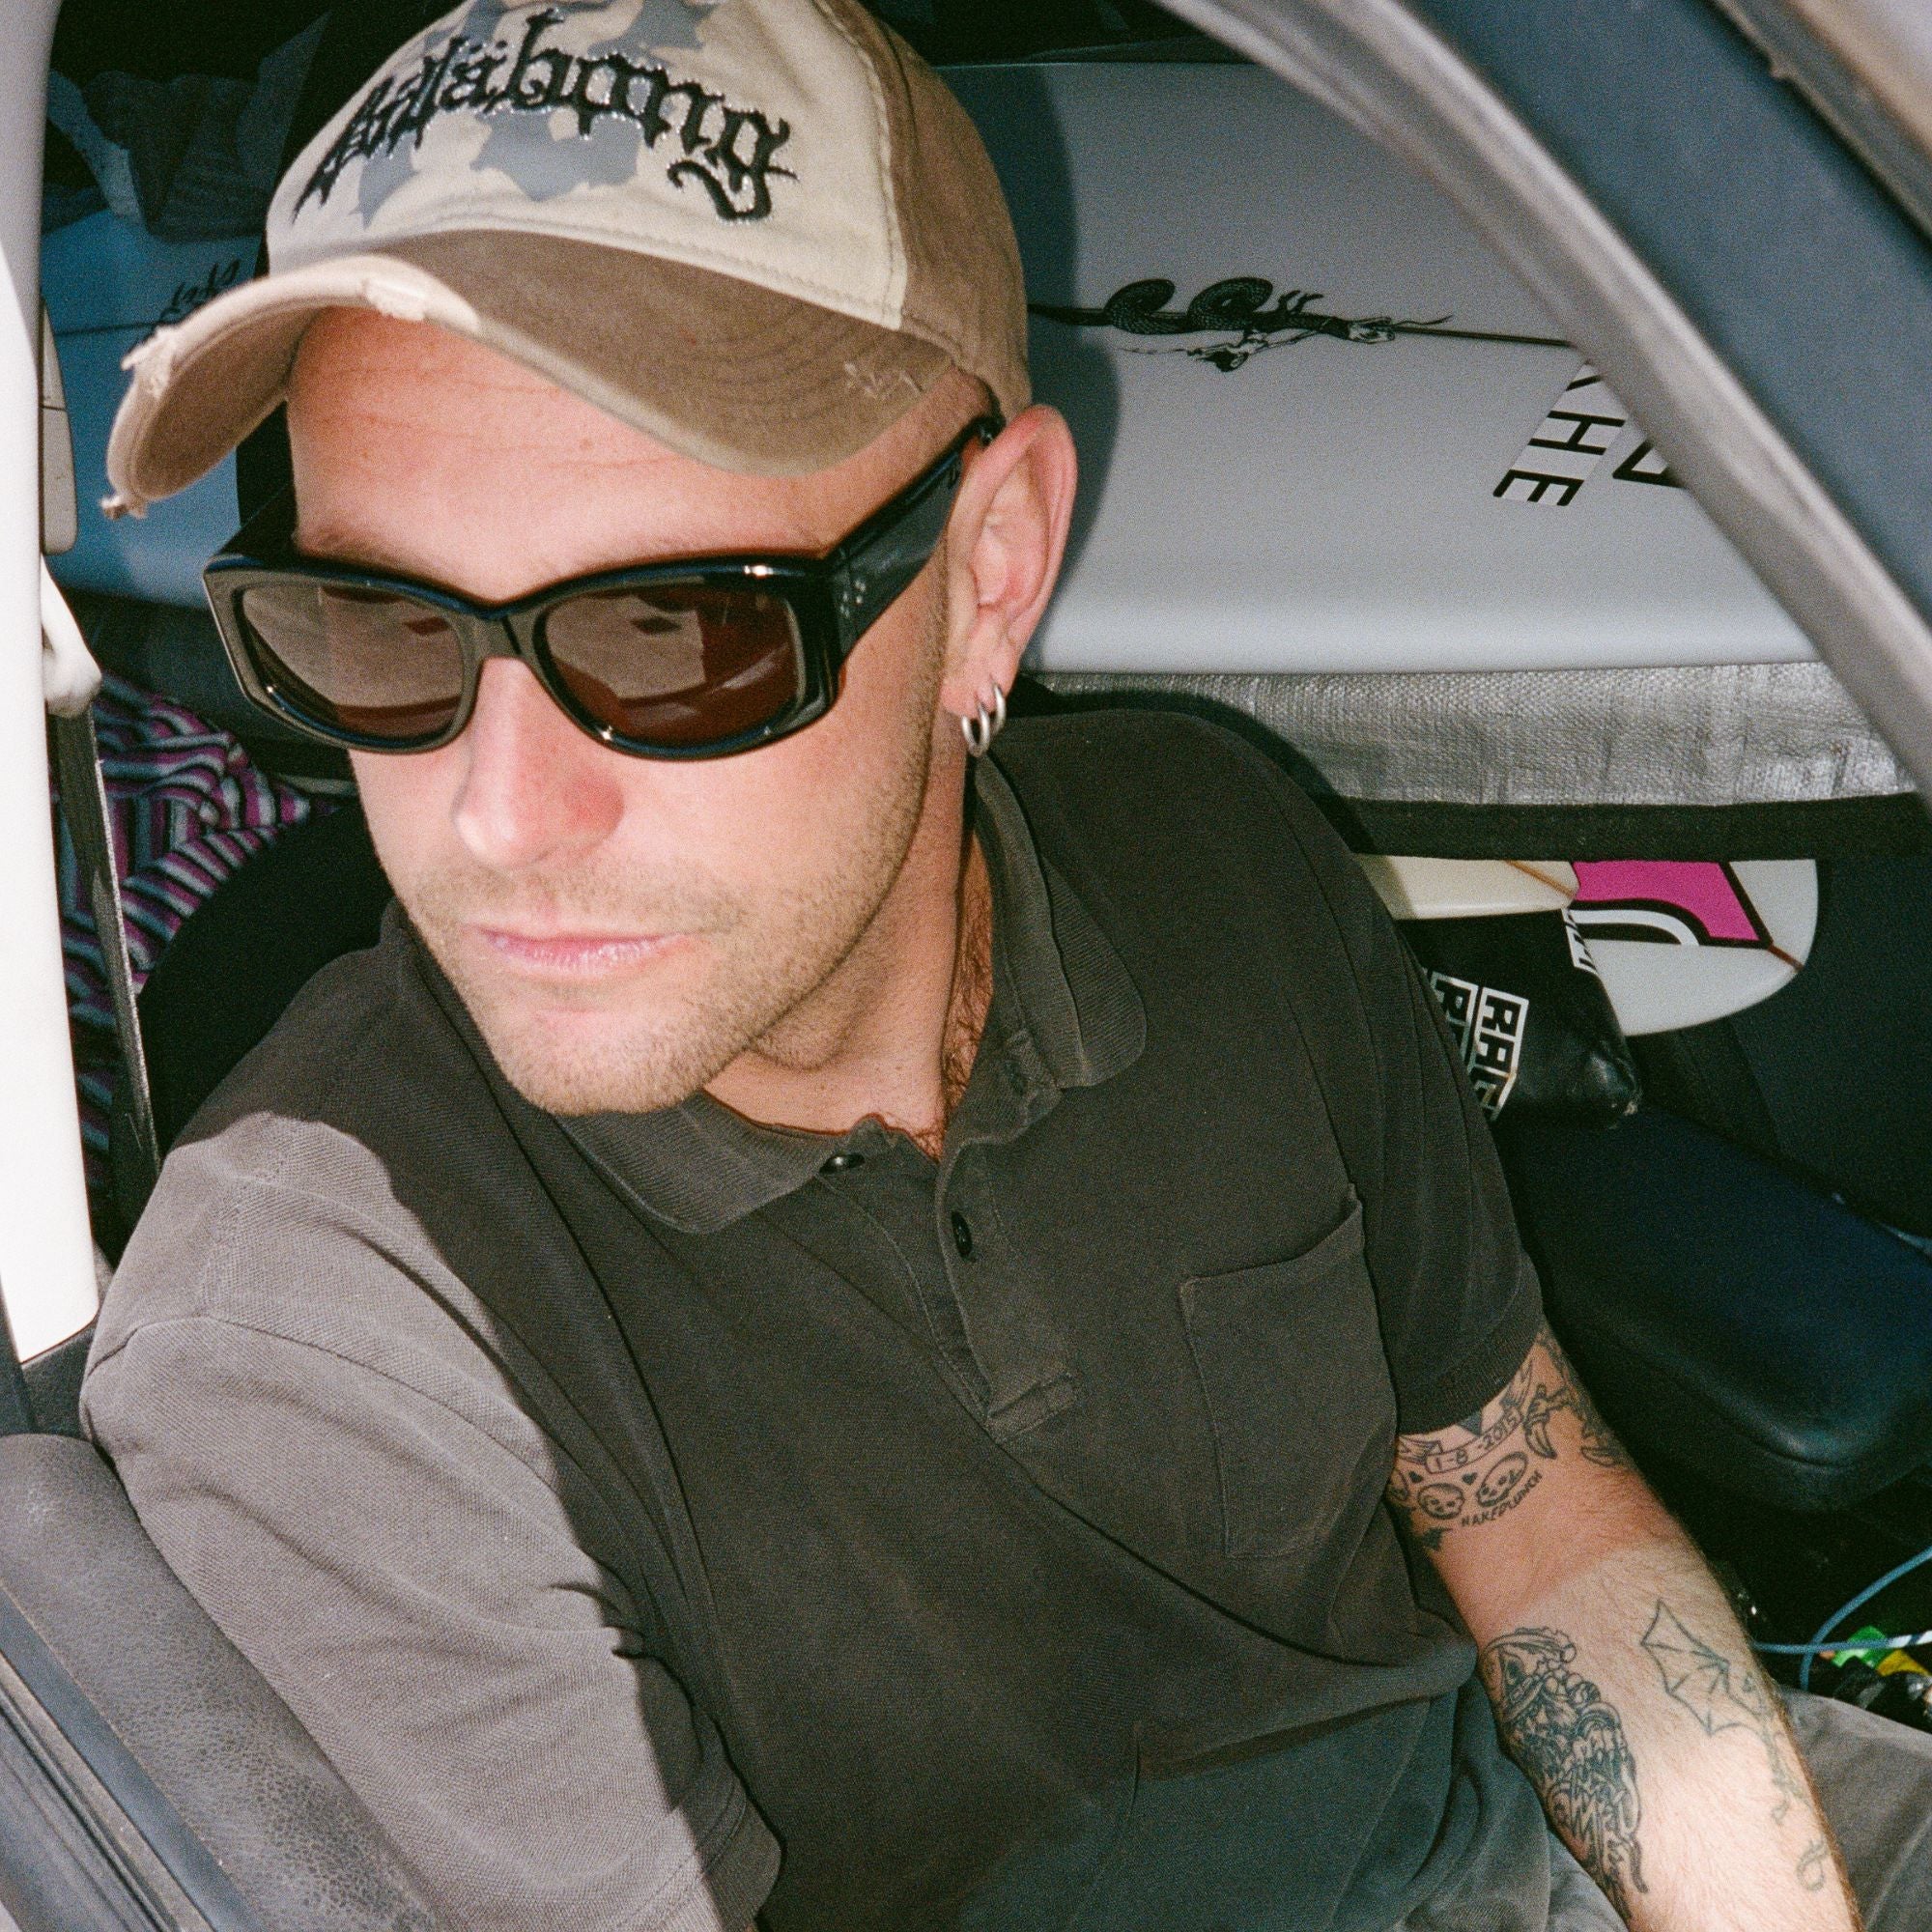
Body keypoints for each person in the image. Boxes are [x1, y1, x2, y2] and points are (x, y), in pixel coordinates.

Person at [80, 3, 1932, 1928]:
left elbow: (1523, 1505)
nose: (498, 817)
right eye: (377, 628)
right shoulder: (328, 1345)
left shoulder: (1205, 852)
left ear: (988, 572)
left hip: (1512, 1835)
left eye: (670, 634)